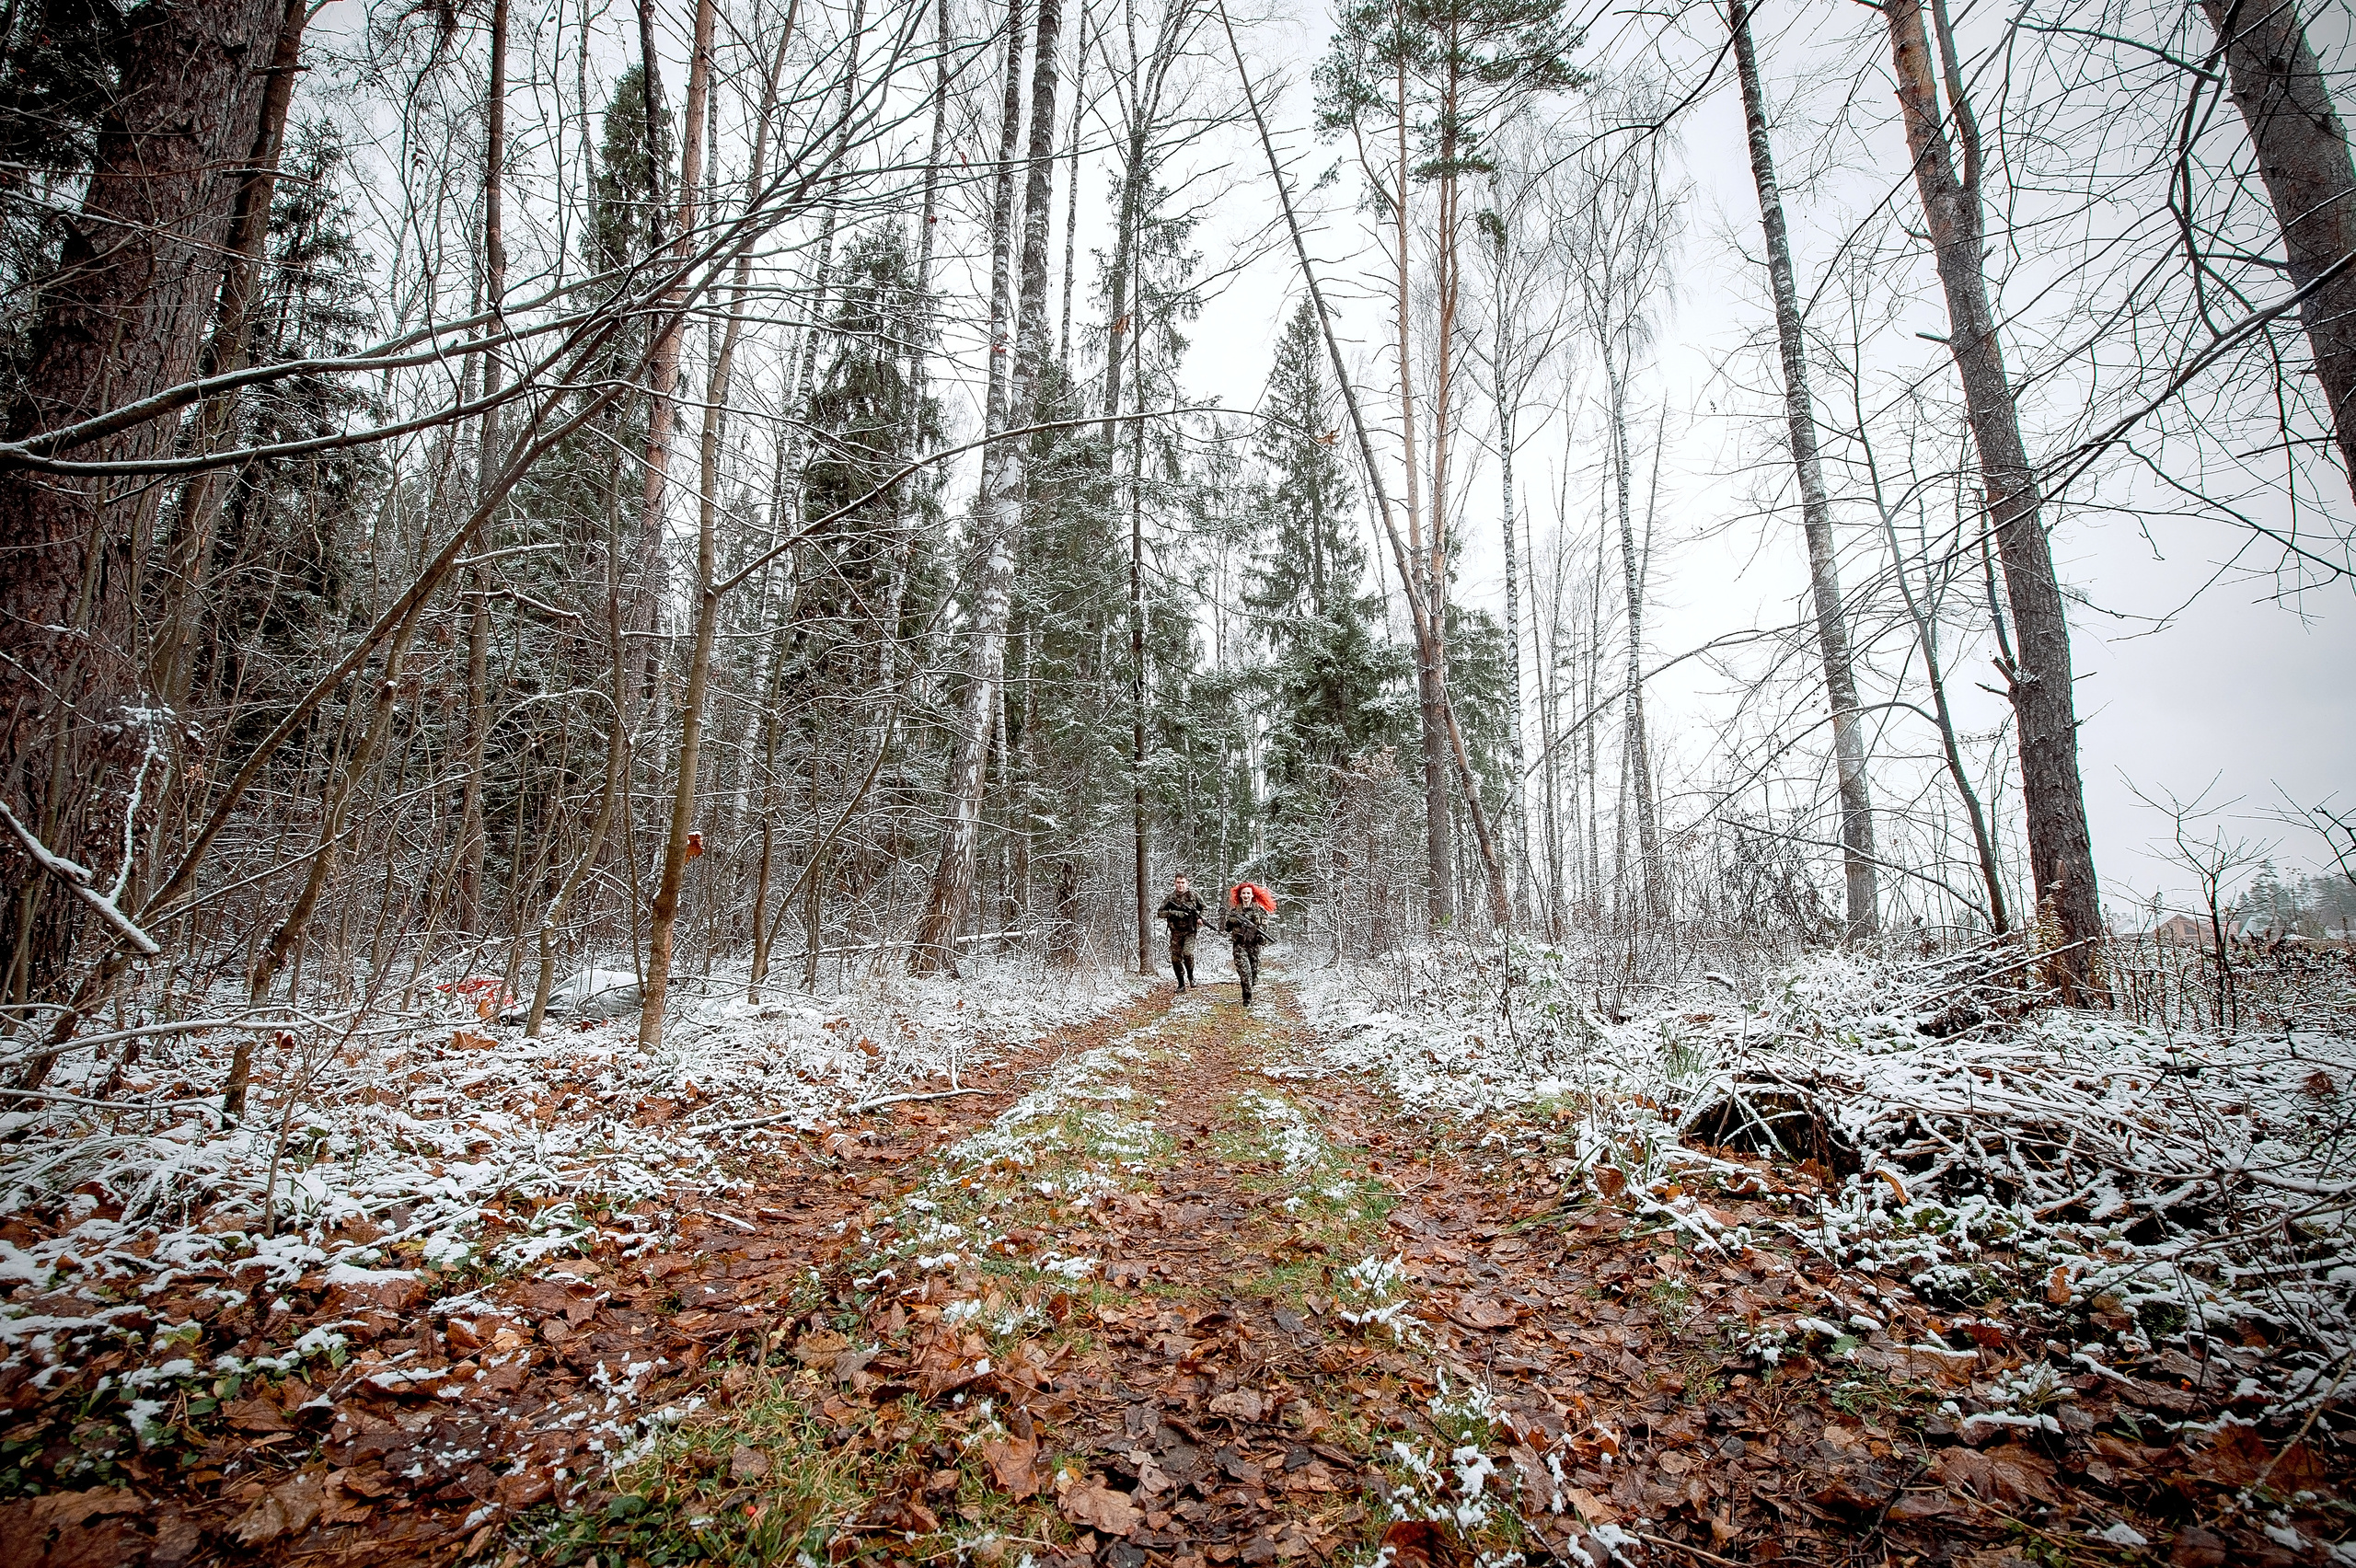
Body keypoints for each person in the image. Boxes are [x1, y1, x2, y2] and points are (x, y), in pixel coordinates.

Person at [1154, 873, 1208, 990]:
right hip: (1176, 932)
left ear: (1187, 883)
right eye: (1178, 882)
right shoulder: (1170, 898)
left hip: (1190, 931)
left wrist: (1201, 918)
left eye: (1183, 882)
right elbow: (1159, 913)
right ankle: (1181, 983)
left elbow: (1204, 907)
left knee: (1188, 954)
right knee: (1175, 959)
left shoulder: (1193, 895)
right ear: (1175, 883)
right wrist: (1174, 913)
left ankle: (1191, 976)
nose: (1180, 885)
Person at [1222, 882, 1272, 1005]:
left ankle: (1250, 984)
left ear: (1252, 895)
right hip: (1239, 945)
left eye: (1248, 893)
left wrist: (1259, 932)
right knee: (1245, 972)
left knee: (1253, 974)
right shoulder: (1235, 910)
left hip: (1254, 945)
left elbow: (1265, 926)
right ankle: (1247, 998)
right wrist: (1232, 921)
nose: (1246, 895)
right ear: (1240, 895)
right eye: (1243, 893)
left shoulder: (1259, 910)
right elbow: (1227, 928)